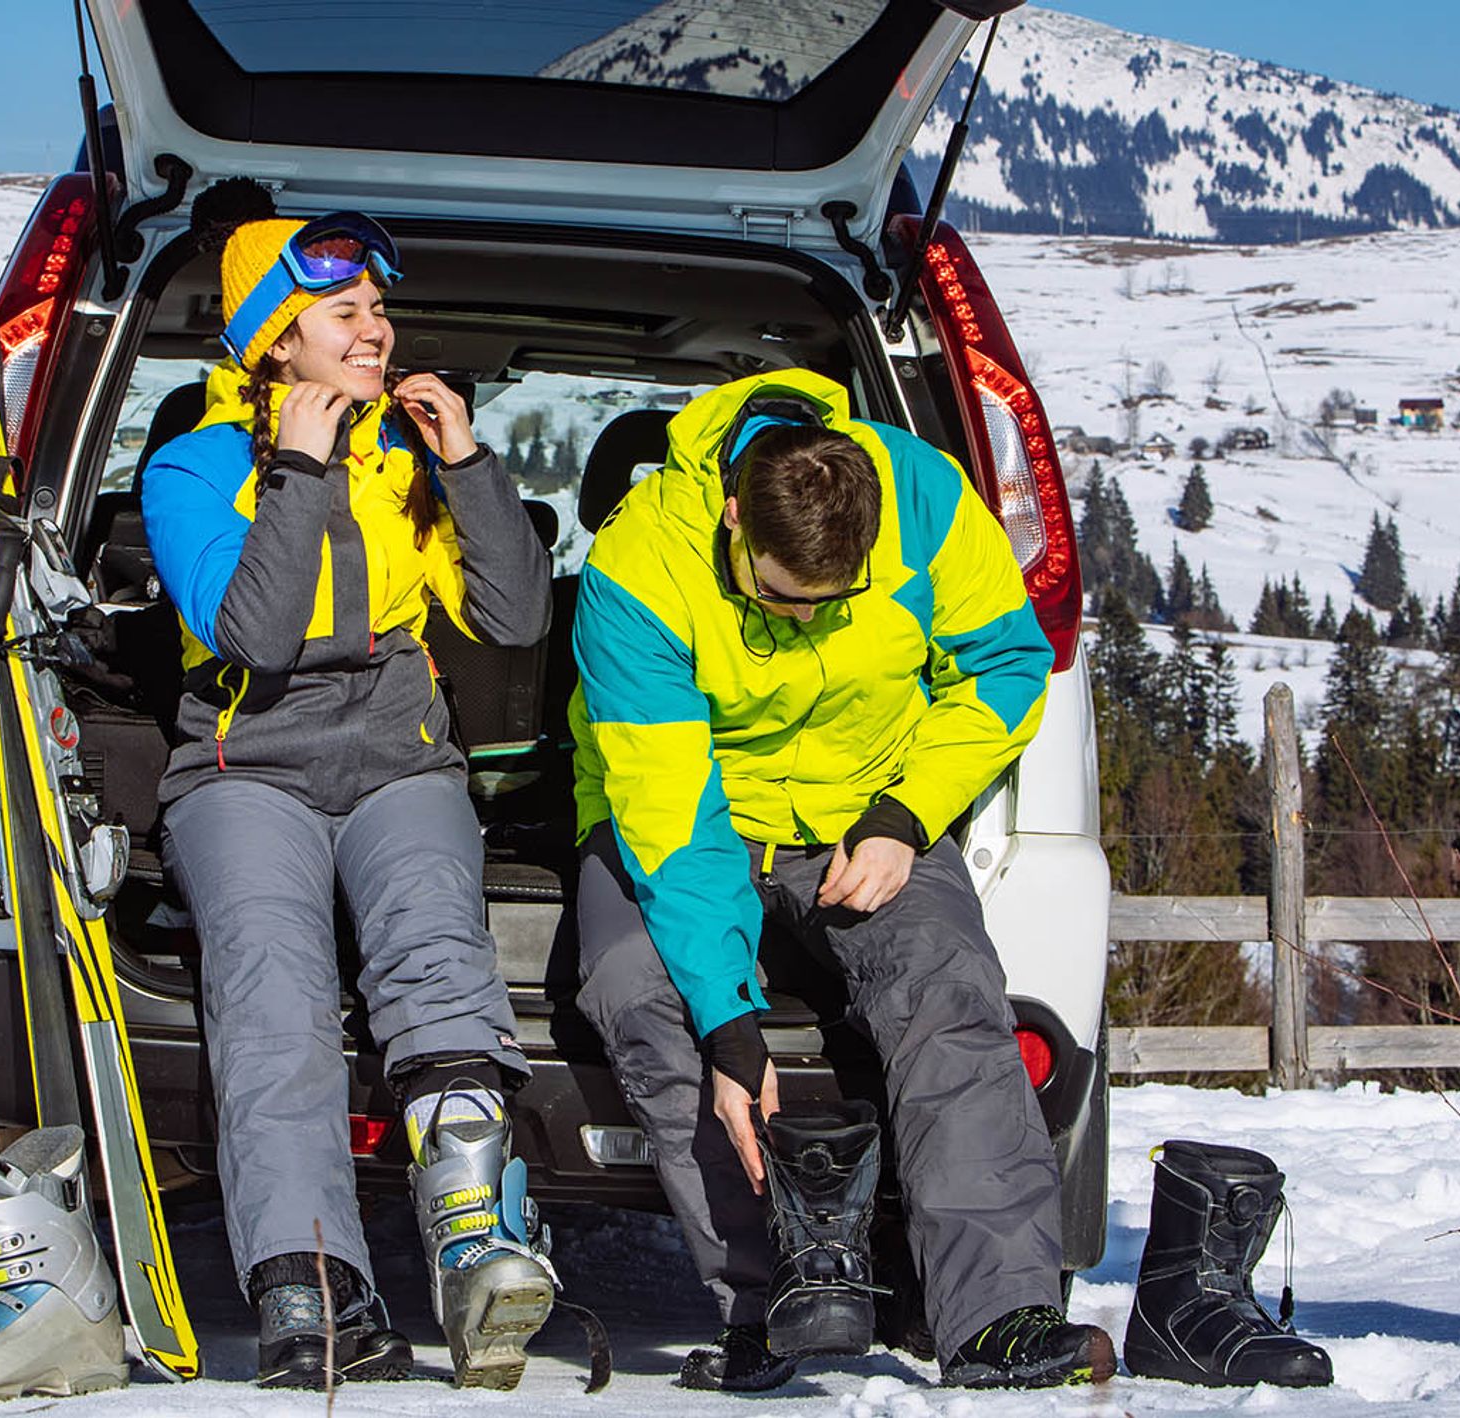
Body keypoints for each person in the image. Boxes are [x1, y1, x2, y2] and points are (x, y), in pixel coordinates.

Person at [568, 368, 1113, 1390]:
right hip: (696, 816)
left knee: (949, 984)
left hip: (866, 815)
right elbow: (674, 818)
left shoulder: (927, 500)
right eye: (779, 595)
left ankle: (997, 1314)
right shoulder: (639, 567)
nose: (806, 620)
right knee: (646, 992)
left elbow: (1003, 662)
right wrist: (732, 1021)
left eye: (835, 603)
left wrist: (908, 814)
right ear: (735, 516)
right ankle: (768, 1303)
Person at [135, 185, 559, 1390]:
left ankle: (477, 1243)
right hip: (245, 754)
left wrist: (467, 464)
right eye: (342, 310)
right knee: (273, 991)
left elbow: (518, 613)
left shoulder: (415, 455)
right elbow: (252, 632)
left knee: (436, 953)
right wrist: (301, 467)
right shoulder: (195, 464)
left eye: (380, 307)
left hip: (398, 741)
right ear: (274, 337)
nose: (375, 328)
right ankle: (309, 1285)